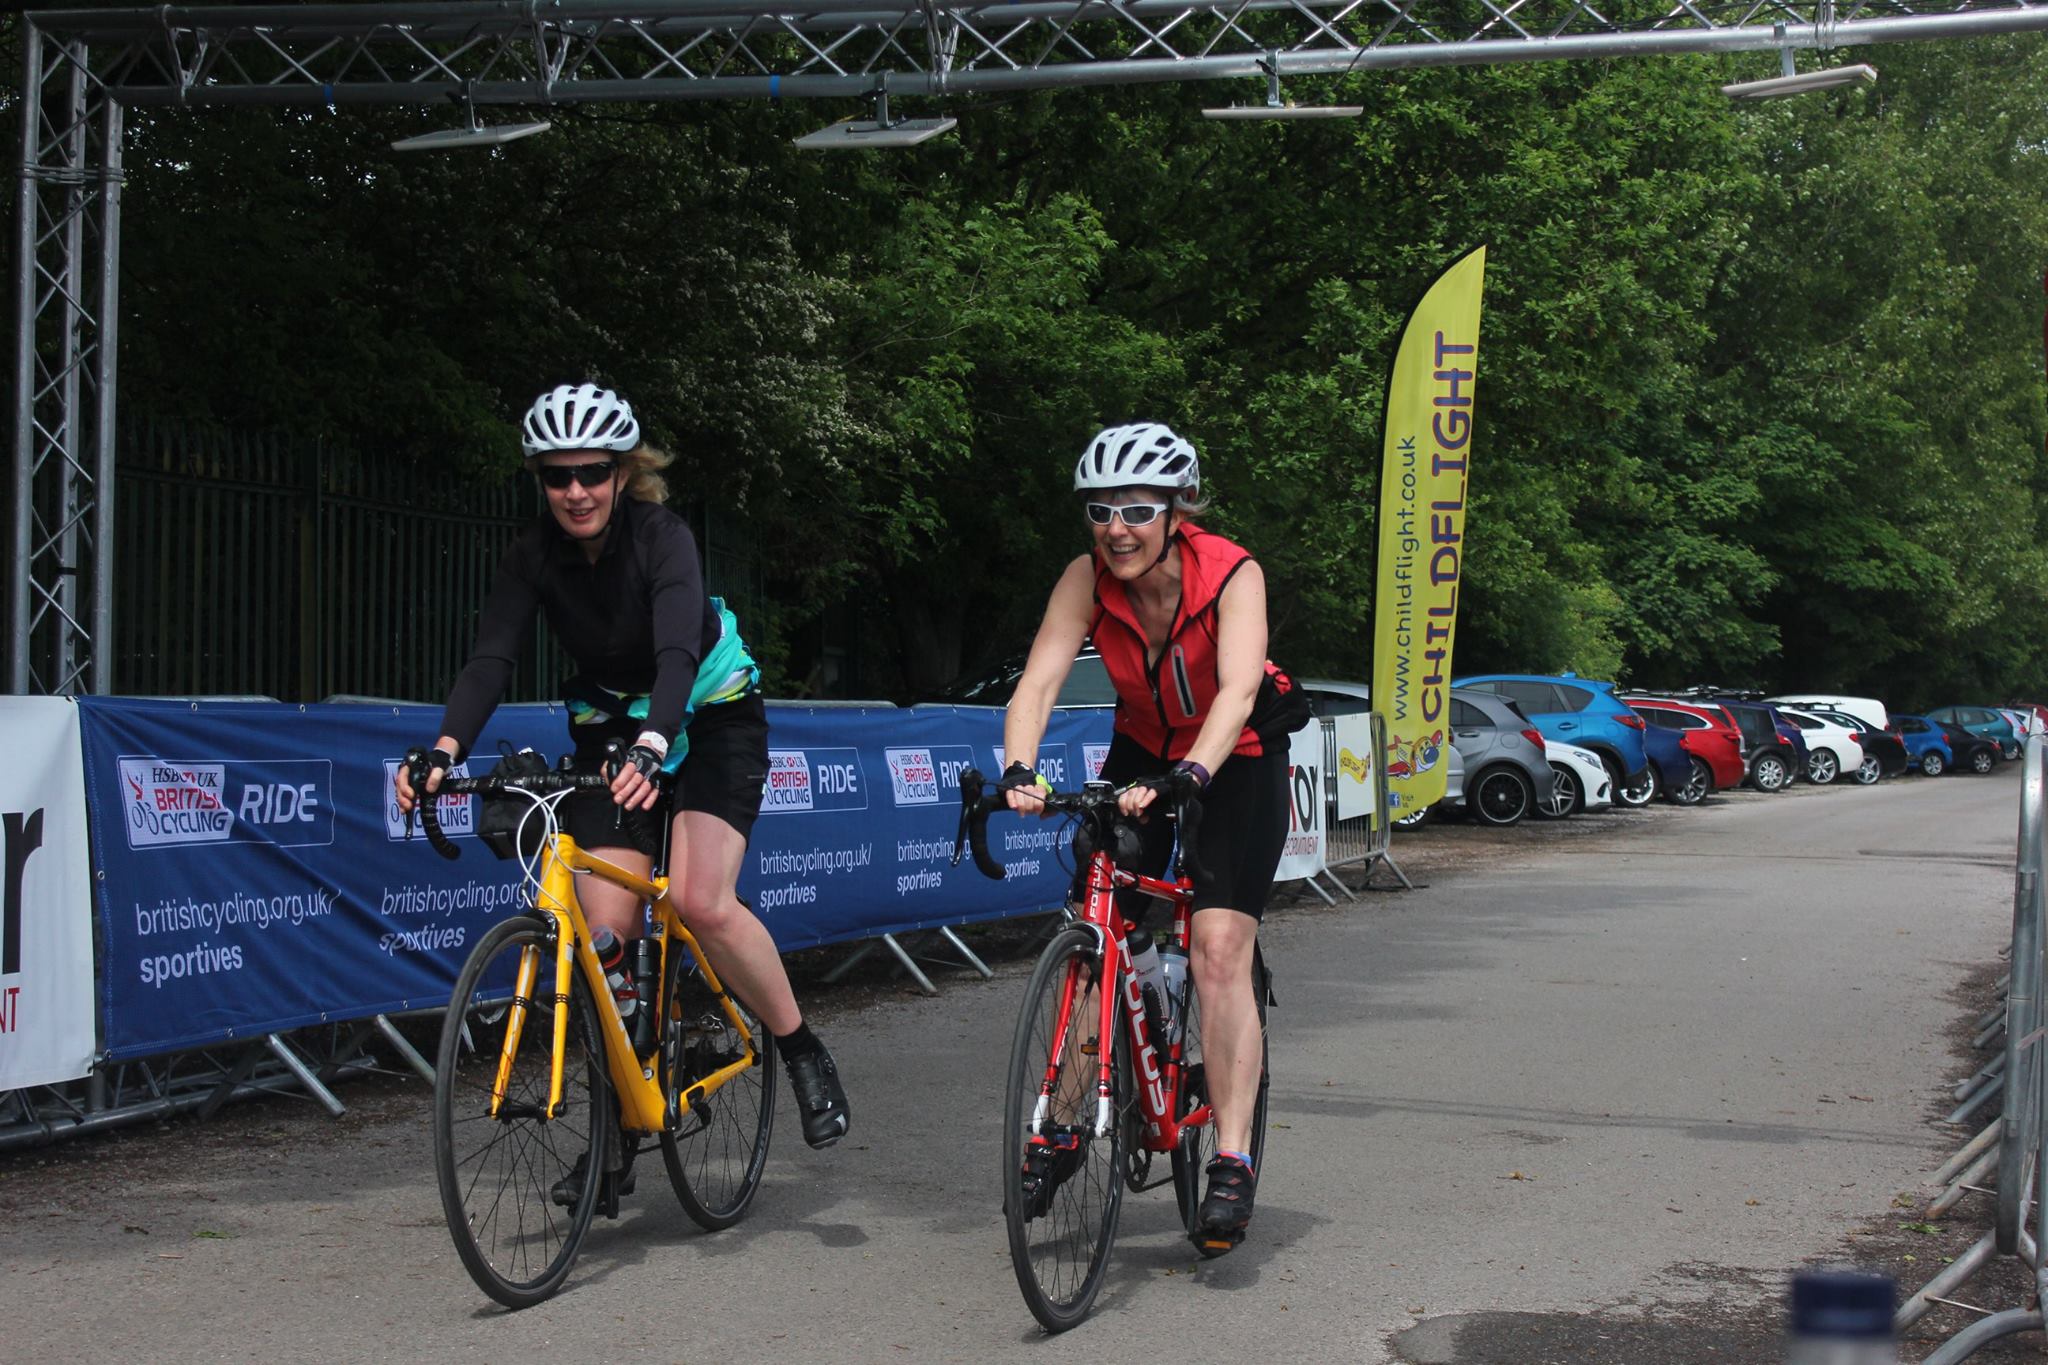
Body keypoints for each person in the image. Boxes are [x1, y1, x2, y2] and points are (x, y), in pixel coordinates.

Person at [393, 383, 851, 1198]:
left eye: (593, 473)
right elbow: (491, 658)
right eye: (558, 475)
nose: (576, 491)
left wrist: (655, 741)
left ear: (623, 472)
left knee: (704, 900)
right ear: (540, 479)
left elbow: (677, 653)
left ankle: (800, 1045)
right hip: (610, 727)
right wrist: (441, 749)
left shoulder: (663, 539)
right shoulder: (534, 553)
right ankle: (613, 1131)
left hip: (707, 712)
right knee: (603, 935)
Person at [998, 421, 1306, 1255]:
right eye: (1100, 510)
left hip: (1232, 755)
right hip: (1143, 747)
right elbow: (1039, 680)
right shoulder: (1085, 578)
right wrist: (1019, 768)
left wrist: (1195, 777)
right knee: (1101, 923)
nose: (1116, 528)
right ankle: (1065, 1123)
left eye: (1137, 508)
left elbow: (1239, 688)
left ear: (1178, 510)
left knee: (1215, 946)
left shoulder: (1232, 571)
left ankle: (1232, 1158)